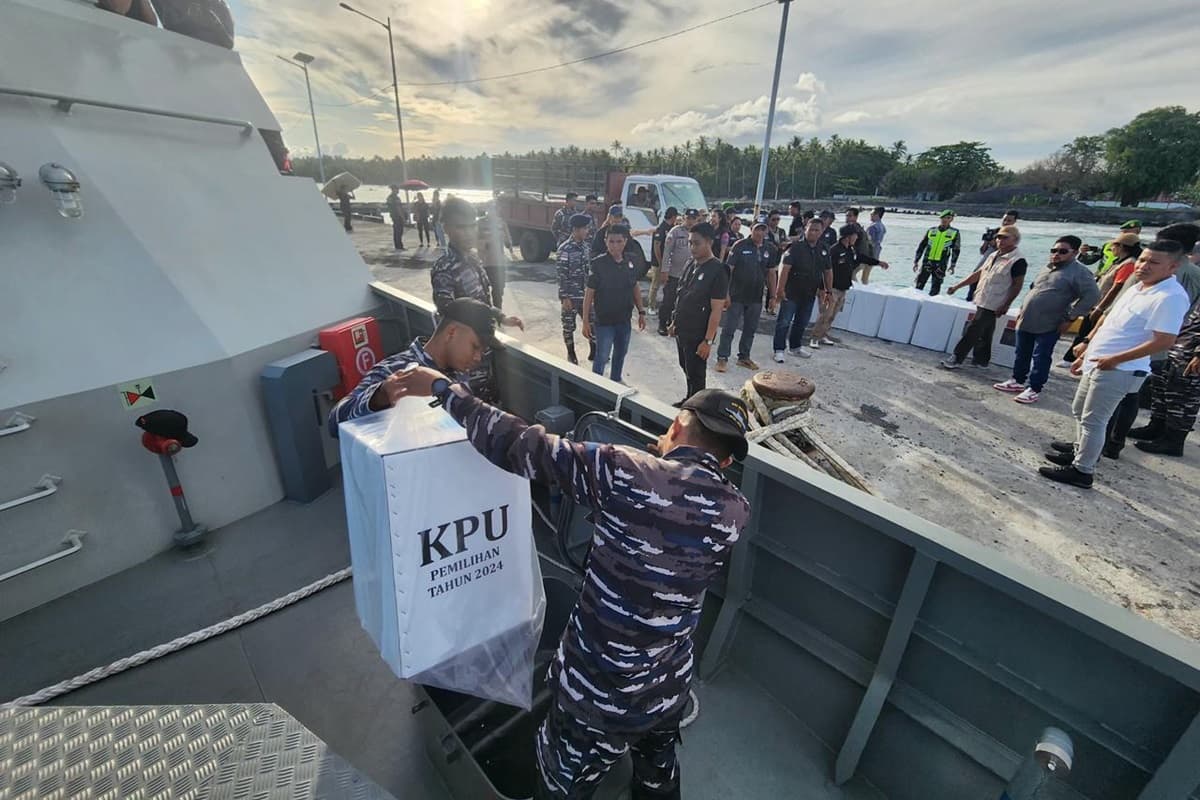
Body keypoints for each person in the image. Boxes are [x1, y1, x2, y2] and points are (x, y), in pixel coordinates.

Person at [385, 363, 752, 800]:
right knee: (657, 782)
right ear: (727, 460)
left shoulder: (625, 471)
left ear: (675, 425)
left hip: (597, 697)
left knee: (559, 786)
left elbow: (520, 445)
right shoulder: (736, 510)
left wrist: (445, 389)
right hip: (667, 689)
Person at [1040, 240, 1191, 488]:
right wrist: (1086, 347)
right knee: (1080, 411)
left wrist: (1115, 359)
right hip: (1099, 361)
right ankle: (1080, 451)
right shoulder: (1139, 287)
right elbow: (1109, 320)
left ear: (1172, 267)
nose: (1144, 266)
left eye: (1153, 262)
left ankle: (1082, 470)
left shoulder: (1170, 297)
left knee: (1094, 420)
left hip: (1119, 368)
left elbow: (1164, 340)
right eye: (1143, 259)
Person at [326, 298, 497, 436]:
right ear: (451, 332)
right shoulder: (398, 369)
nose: (478, 358)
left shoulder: (460, 372)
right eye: (475, 347)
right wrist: (380, 397)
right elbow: (335, 423)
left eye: (482, 351)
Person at [1109, 223, 1200, 455]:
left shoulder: (1182, 275)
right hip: (1174, 345)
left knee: (1176, 395)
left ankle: (1170, 440)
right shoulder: (1179, 272)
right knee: (1162, 390)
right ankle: (1156, 426)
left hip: (1175, 344)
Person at [431, 197, 523, 399]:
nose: (468, 233)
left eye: (472, 226)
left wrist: (499, 317)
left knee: (489, 400)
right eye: (461, 227)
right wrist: (488, 322)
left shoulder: (473, 259)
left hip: (483, 349)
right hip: (464, 358)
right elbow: (447, 308)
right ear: (446, 228)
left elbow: (482, 301)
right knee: (470, 408)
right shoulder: (444, 267)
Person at [992, 236, 1099, 404]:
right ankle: (1017, 380)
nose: (1056, 254)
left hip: (1051, 321)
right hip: (1028, 318)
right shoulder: (1048, 267)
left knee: (1041, 356)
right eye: (1054, 251)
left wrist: (1071, 317)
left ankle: (1034, 388)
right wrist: (1022, 308)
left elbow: (1092, 296)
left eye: (1062, 251)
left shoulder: (1080, 273)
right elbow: (1034, 289)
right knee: (1022, 352)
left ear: (1075, 253)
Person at [941, 225, 1026, 369]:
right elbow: (979, 274)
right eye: (999, 237)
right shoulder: (994, 255)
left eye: (1005, 237)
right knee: (986, 329)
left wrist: (1006, 304)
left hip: (995, 302)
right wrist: (957, 286)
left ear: (1015, 240)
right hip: (983, 297)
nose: (1001, 240)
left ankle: (957, 357)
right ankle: (981, 359)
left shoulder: (1017, 260)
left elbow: (1017, 285)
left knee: (973, 329)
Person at [1060, 233, 1142, 366]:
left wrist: (1100, 308)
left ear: (1120, 247)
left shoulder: (1128, 264)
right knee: (1085, 330)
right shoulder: (1119, 261)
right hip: (1097, 301)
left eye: (1113, 246)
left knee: (1089, 332)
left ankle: (1074, 359)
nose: (1111, 249)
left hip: (1103, 305)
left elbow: (1116, 287)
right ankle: (1072, 358)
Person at [669, 222, 729, 403]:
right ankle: (689, 399)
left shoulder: (718, 270)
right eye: (690, 243)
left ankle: (696, 409)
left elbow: (717, 310)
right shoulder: (690, 264)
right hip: (683, 329)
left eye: (697, 243)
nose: (692, 247)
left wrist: (708, 341)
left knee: (696, 373)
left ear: (709, 242)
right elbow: (681, 294)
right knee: (685, 366)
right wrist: (674, 322)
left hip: (698, 334)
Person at [1132, 301, 1200, 456]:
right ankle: (1156, 428)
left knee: (1184, 397)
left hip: (1192, 353)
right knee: (1164, 388)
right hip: (1183, 344)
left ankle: (1173, 441)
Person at [583, 226, 646, 383]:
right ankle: (595, 384)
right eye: (611, 241)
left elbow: (635, 287)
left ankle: (615, 382)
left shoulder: (630, 262)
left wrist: (641, 311)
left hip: (624, 320)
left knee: (620, 354)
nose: (615, 245)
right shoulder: (598, 264)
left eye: (619, 241)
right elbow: (589, 293)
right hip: (604, 322)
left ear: (625, 242)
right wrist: (585, 321)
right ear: (605, 242)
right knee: (602, 356)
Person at [811, 224, 888, 348]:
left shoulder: (851, 250)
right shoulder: (834, 250)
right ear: (848, 236)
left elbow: (862, 258)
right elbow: (824, 270)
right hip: (831, 289)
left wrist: (878, 262)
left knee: (833, 315)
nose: (857, 238)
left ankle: (823, 335)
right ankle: (814, 337)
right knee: (825, 314)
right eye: (855, 235)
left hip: (843, 288)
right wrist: (824, 289)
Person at [717, 219, 775, 372]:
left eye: (763, 229)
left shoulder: (769, 249)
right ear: (751, 229)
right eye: (757, 229)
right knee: (729, 328)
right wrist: (726, 293)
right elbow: (729, 270)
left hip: (756, 296)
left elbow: (771, 274)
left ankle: (744, 357)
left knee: (750, 329)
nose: (760, 233)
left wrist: (773, 296)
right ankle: (722, 358)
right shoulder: (740, 246)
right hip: (737, 295)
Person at [773, 218, 831, 362]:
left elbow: (828, 271)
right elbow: (784, 269)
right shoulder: (795, 247)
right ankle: (779, 349)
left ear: (822, 232)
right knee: (784, 322)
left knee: (802, 322)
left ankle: (795, 347)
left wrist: (828, 291)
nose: (813, 232)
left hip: (810, 292)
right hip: (791, 292)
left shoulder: (823, 249)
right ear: (805, 229)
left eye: (817, 230)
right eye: (811, 229)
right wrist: (780, 290)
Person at [557, 213, 595, 365]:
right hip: (571, 295)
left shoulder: (586, 247)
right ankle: (571, 353)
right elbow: (561, 274)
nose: (587, 231)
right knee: (568, 325)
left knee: (592, 321)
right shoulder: (565, 249)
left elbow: (589, 271)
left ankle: (594, 350)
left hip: (585, 295)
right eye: (585, 228)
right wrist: (564, 297)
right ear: (577, 230)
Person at [659, 209, 698, 336]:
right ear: (684, 217)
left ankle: (675, 325)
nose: (690, 221)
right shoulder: (675, 231)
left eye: (693, 218)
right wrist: (664, 270)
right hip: (674, 273)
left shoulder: (697, 233)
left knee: (683, 302)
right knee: (669, 300)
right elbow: (667, 252)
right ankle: (662, 324)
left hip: (690, 274)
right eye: (688, 218)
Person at [972, 210, 1019, 302]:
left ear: (1014, 222)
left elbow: (1011, 252)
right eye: (1004, 220)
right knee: (974, 285)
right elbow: (982, 251)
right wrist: (987, 242)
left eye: (1009, 220)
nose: (1006, 222)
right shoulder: (993, 232)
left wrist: (997, 244)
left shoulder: (1014, 236)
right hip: (985, 263)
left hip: (998, 268)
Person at [913, 210, 962, 296]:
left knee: (935, 288)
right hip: (927, 262)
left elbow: (956, 250)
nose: (945, 220)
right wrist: (916, 261)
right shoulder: (932, 230)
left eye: (948, 218)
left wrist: (953, 265)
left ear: (951, 219)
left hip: (941, 264)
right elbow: (922, 246)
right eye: (943, 217)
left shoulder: (954, 233)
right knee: (919, 285)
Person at [477, 209, 511, 309]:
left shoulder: (501, 223)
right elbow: (474, 241)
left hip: (498, 264)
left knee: (498, 291)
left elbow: (508, 242)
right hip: (484, 263)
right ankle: (487, 313)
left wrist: (507, 242)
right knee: (484, 292)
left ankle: (498, 314)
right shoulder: (480, 223)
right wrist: (486, 243)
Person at [648, 207, 678, 314]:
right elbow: (657, 246)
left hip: (668, 261)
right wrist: (661, 262)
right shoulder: (661, 228)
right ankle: (651, 306)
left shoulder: (672, 228)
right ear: (673, 217)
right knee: (655, 284)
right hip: (658, 262)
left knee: (667, 284)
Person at [859, 206, 887, 284]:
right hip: (876, 253)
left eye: (872, 214)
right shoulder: (882, 226)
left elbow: (870, 241)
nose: (870, 215)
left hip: (869, 254)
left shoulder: (872, 227)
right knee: (866, 275)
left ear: (877, 214)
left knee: (855, 273)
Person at [385, 184, 406, 250]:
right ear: (394, 190)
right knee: (399, 231)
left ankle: (397, 245)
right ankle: (399, 246)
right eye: (397, 189)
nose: (398, 191)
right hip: (398, 217)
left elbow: (389, 207)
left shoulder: (389, 198)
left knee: (396, 231)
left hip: (393, 216)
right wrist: (403, 217)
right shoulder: (396, 198)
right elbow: (398, 208)